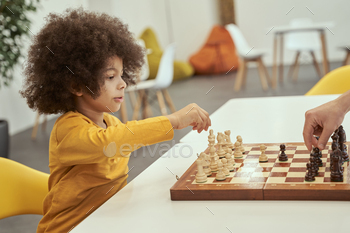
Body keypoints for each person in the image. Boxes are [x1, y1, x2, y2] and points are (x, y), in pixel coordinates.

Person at [20, 8, 211, 233]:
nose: (122, 84)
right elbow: (108, 143)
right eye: (111, 77)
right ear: (76, 85)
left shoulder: (113, 123)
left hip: (108, 222)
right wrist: (172, 120)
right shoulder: (66, 129)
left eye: (122, 75)